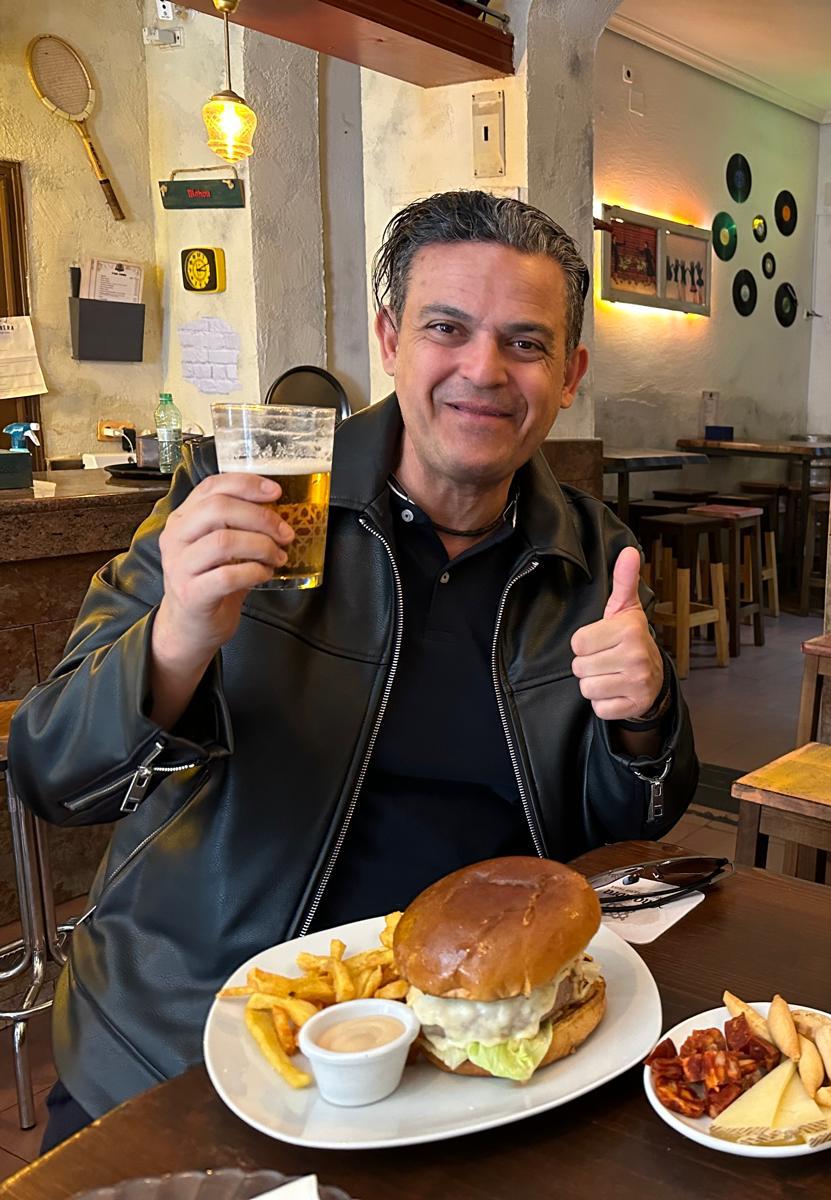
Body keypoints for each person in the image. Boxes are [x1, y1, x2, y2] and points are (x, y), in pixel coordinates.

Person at [9, 191, 699, 1149]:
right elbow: (51, 774)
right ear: (389, 337)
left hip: (476, 1047)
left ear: (571, 373)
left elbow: (627, 828)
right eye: (446, 327)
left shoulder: (590, 550)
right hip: (204, 1040)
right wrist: (177, 637)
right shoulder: (246, 485)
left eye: (526, 343)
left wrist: (646, 714)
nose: (484, 371)